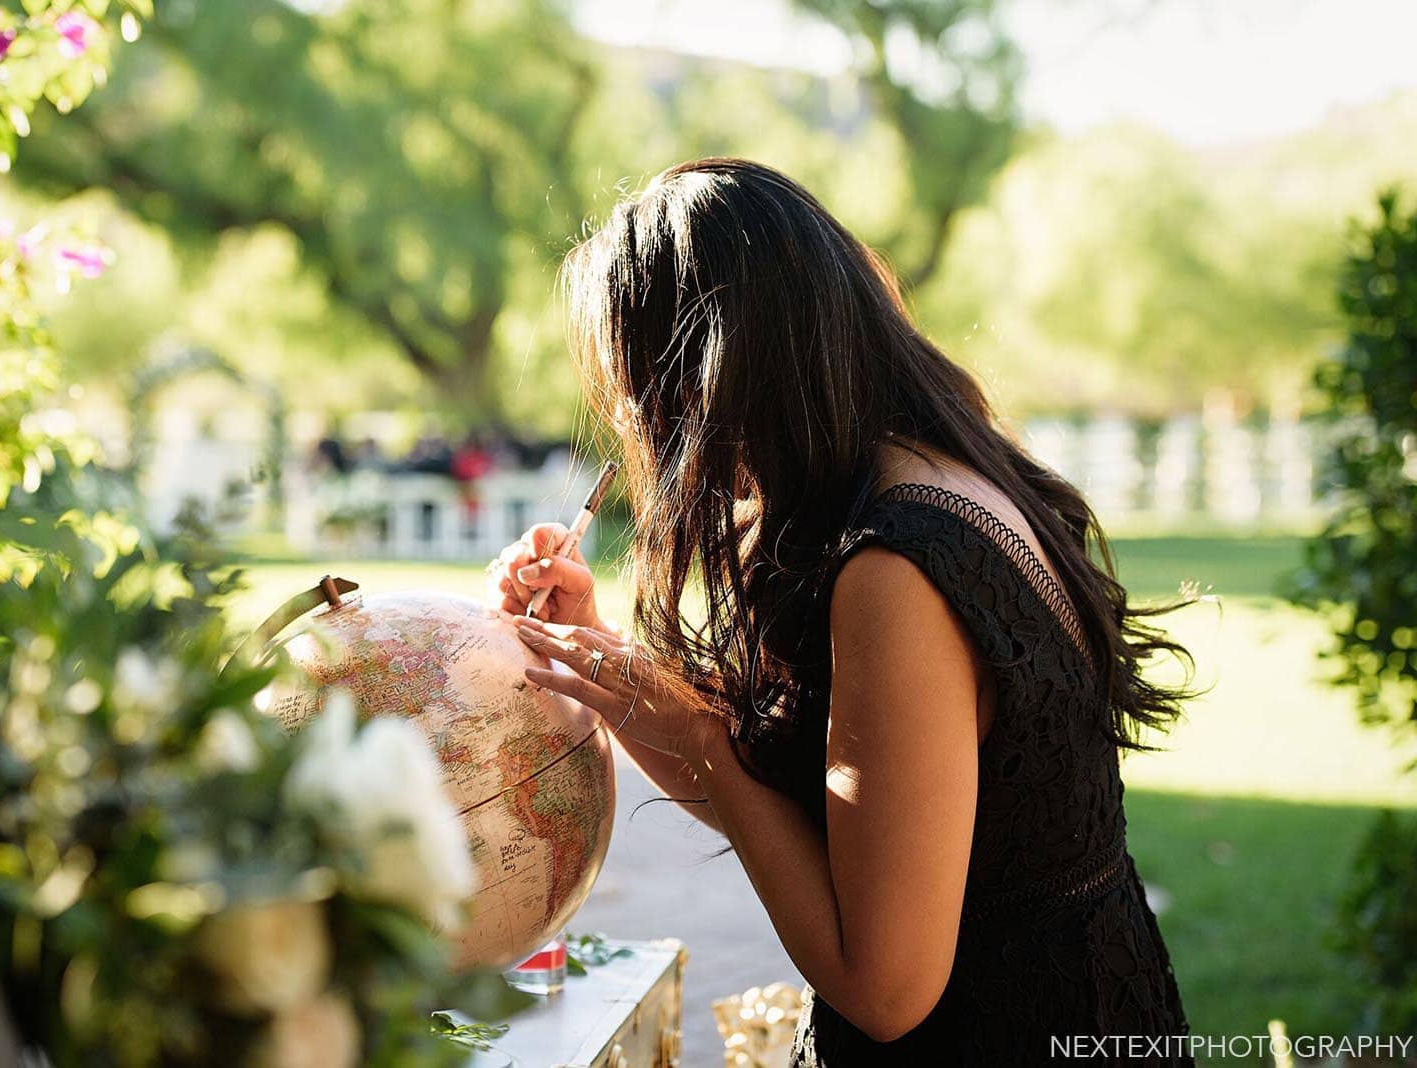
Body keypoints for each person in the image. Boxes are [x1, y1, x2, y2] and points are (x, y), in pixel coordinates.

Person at [488, 159, 1194, 1066]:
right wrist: (606, 657)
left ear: (709, 371)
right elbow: (809, 821)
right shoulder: (938, 479)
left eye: (634, 383)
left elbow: (885, 987)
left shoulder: (896, 571)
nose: (630, 417)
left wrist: (699, 731)